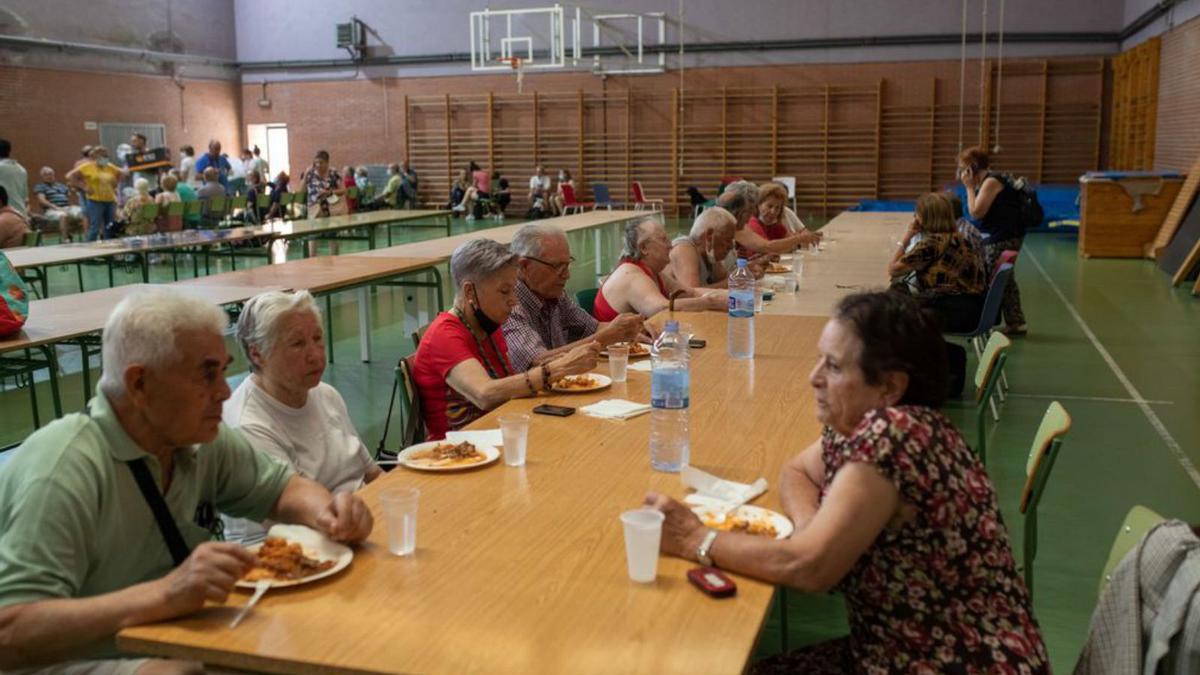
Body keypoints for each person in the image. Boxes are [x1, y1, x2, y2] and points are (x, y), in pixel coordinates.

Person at [643, 291, 1049, 674]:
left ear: (890, 386)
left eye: (834, 367)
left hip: (957, 661)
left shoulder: (896, 436)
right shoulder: (861, 421)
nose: (813, 377)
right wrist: (811, 528)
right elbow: (797, 472)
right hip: (901, 648)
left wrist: (695, 539)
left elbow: (810, 568)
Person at [0, 288, 373, 673]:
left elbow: (283, 488)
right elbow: (10, 631)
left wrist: (330, 512)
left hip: (169, 638)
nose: (224, 391)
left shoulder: (194, 439)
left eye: (224, 371)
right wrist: (166, 593)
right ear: (139, 385)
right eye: (206, 374)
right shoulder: (62, 470)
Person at [223, 290, 382, 542]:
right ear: (257, 354)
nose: (316, 355)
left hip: (356, 528)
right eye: (297, 344)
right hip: (292, 547)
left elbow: (372, 474)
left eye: (317, 338)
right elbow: (294, 516)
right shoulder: (248, 424)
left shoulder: (325, 395)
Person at [412, 239, 600, 440]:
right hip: (460, 452)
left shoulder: (488, 325)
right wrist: (557, 369)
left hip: (496, 435)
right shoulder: (445, 335)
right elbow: (485, 393)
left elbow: (509, 386)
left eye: (514, 289)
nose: (514, 300)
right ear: (469, 292)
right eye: (504, 291)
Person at [504, 223, 646, 371]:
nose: (566, 275)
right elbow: (538, 361)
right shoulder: (509, 305)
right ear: (524, 266)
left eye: (567, 265)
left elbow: (593, 327)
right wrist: (607, 336)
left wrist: (631, 327)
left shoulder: (554, 294)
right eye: (557, 266)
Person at [592, 218, 728, 321]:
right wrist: (712, 302)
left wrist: (734, 295)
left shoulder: (654, 272)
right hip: (614, 353)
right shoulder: (631, 275)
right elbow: (660, 308)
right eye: (663, 240)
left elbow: (691, 293)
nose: (670, 245)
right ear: (644, 248)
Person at [888, 193, 987, 332]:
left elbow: (893, 269)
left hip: (954, 312)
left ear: (926, 218)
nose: (915, 217)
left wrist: (908, 236)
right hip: (973, 307)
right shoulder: (959, 238)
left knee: (892, 310)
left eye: (917, 214)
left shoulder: (933, 243)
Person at [959, 146, 1027, 336]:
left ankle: (986, 320)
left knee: (994, 278)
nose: (961, 174)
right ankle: (1017, 322)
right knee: (1006, 279)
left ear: (971, 168)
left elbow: (976, 212)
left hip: (1003, 237)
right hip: (1006, 235)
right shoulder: (991, 181)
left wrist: (969, 187)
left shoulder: (991, 182)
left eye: (963, 169)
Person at [739, 181, 821, 256]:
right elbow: (768, 249)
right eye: (769, 206)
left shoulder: (775, 225)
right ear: (759, 204)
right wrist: (798, 239)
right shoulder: (752, 222)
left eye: (777, 208)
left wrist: (792, 243)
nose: (773, 211)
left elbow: (790, 243)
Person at [667, 207, 739, 292]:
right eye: (727, 239)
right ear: (709, 235)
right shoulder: (683, 249)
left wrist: (744, 272)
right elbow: (692, 293)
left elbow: (725, 278)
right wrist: (732, 283)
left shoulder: (709, 255)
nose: (731, 246)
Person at [66, 146, 125, 241]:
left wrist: (115, 183)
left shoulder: (109, 166)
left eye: (106, 156)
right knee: (95, 227)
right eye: (102, 156)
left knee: (110, 226)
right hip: (95, 200)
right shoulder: (87, 167)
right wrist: (84, 187)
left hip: (110, 200)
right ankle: (89, 249)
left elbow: (122, 173)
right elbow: (70, 176)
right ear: (95, 157)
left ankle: (110, 249)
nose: (105, 158)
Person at [33, 166, 84, 242]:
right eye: (46, 174)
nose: (49, 176)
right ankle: (65, 239)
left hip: (66, 207)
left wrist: (74, 186)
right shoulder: (40, 186)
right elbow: (42, 200)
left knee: (84, 212)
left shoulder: (61, 186)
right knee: (63, 215)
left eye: (50, 174)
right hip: (51, 210)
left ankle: (87, 236)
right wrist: (55, 207)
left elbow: (71, 193)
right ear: (42, 176)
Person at [0, 139, 29, 219]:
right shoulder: (21, 169)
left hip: (3, 216)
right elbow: (25, 197)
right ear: (9, 151)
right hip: (20, 215)